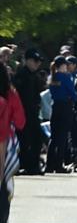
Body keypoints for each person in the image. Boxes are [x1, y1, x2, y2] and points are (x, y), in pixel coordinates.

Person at [0, 69, 26, 223]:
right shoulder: (11, 94)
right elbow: (20, 122)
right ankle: (2, 220)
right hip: (4, 140)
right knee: (5, 181)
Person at [13, 48, 44, 176]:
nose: (37, 64)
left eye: (39, 61)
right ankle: (24, 166)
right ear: (27, 61)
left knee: (37, 138)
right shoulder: (20, 75)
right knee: (24, 141)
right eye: (35, 61)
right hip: (22, 114)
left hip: (33, 113)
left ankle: (33, 166)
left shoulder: (35, 76)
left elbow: (37, 95)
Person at [46, 57, 77, 174]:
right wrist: (73, 97)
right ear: (62, 65)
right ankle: (59, 165)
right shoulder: (66, 77)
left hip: (55, 107)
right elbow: (73, 93)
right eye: (65, 65)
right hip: (65, 107)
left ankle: (49, 165)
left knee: (53, 137)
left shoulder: (52, 78)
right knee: (63, 137)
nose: (67, 67)